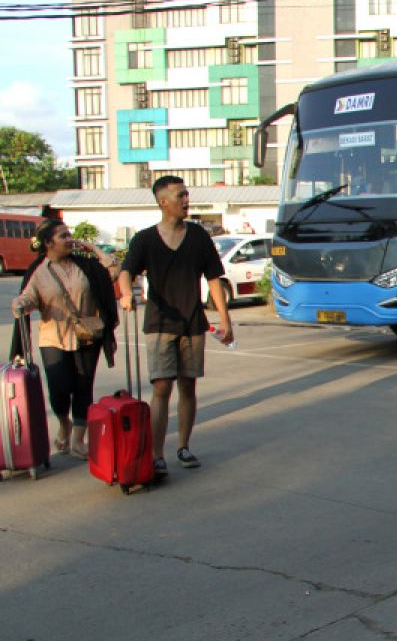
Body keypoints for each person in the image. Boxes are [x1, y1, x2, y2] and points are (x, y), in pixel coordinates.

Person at [118, 176, 233, 479]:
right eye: (180, 195)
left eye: (187, 194)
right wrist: (127, 293)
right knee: (161, 388)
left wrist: (225, 319)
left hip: (193, 324)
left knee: (188, 386)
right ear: (163, 201)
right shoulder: (144, 239)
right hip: (159, 324)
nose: (186, 199)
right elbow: (126, 271)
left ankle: (183, 446)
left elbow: (213, 279)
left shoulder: (198, 236)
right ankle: (157, 455)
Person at [9, 219, 119, 459]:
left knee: (83, 387)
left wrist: (90, 247)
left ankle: (78, 441)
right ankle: (64, 423)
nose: (69, 239)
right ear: (48, 243)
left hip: (87, 335)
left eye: (70, 235)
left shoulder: (85, 266)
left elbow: (113, 268)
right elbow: (29, 297)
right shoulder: (38, 273)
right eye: (63, 236)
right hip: (53, 338)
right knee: (59, 389)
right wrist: (21, 303)